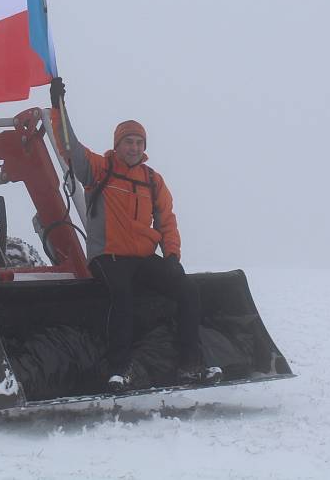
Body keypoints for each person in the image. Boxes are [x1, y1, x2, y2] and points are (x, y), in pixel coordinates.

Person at [50, 77, 222, 392]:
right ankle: (119, 369)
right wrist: (57, 108)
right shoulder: (100, 170)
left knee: (186, 289)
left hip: (143, 257)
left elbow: (167, 220)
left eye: (139, 142)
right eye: (128, 142)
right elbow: (69, 147)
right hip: (108, 256)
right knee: (122, 294)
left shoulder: (152, 180)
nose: (134, 147)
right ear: (117, 145)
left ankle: (190, 363)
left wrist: (171, 256)